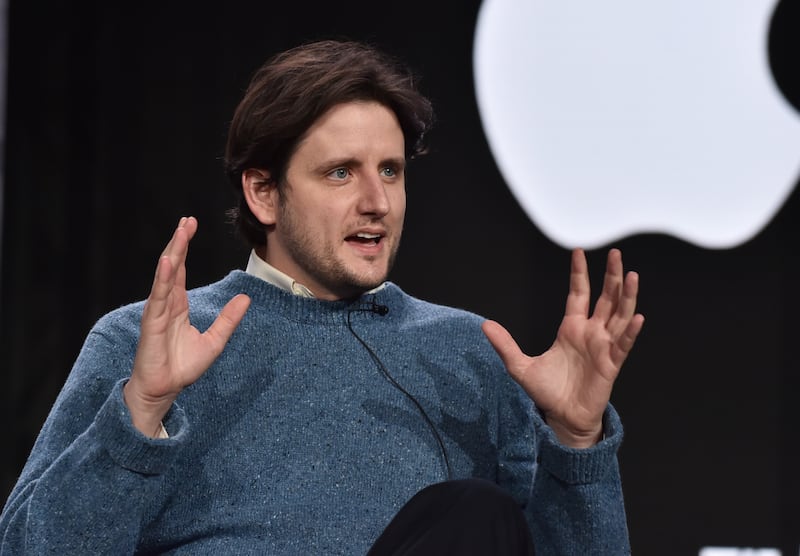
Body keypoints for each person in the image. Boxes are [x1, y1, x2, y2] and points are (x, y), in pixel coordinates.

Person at [0, 39, 644, 555]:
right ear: (263, 193)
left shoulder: (472, 354)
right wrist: (141, 413)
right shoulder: (149, 342)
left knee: (476, 515)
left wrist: (577, 443)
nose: (377, 201)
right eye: (341, 172)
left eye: (390, 171)